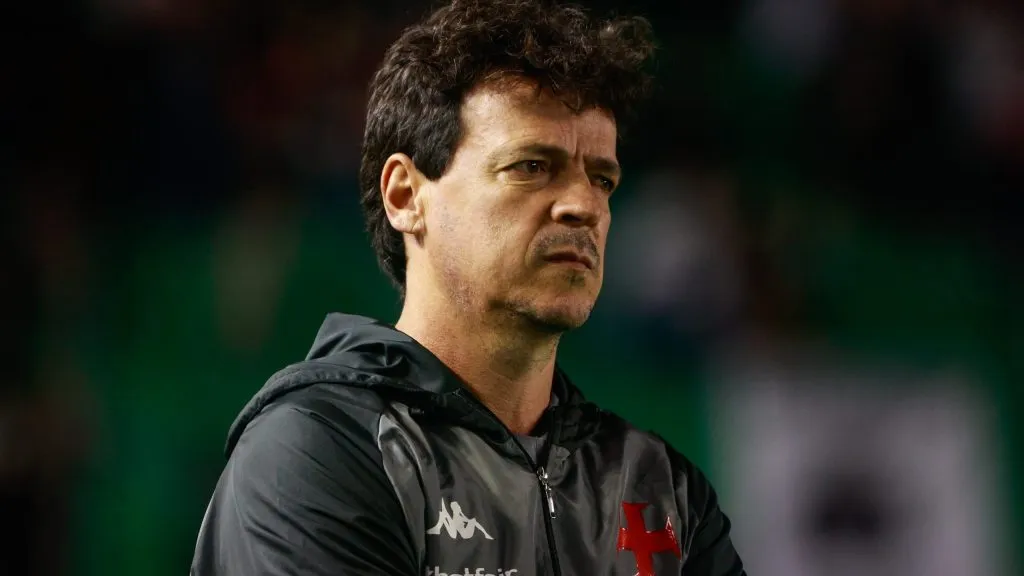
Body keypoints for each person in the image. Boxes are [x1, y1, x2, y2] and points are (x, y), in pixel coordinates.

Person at [191, 0, 746, 574]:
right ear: (406, 196)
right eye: (531, 166)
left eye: (602, 179)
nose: (585, 206)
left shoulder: (659, 486)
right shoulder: (320, 451)